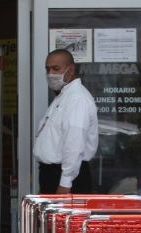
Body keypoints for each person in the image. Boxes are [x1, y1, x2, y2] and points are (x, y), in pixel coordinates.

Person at [33, 49, 98, 194]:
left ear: (71, 69)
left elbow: (74, 143)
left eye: (56, 68)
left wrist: (65, 183)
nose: (51, 73)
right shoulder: (63, 97)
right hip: (53, 174)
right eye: (47, 69)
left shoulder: (77, 99)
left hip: (67, 177)